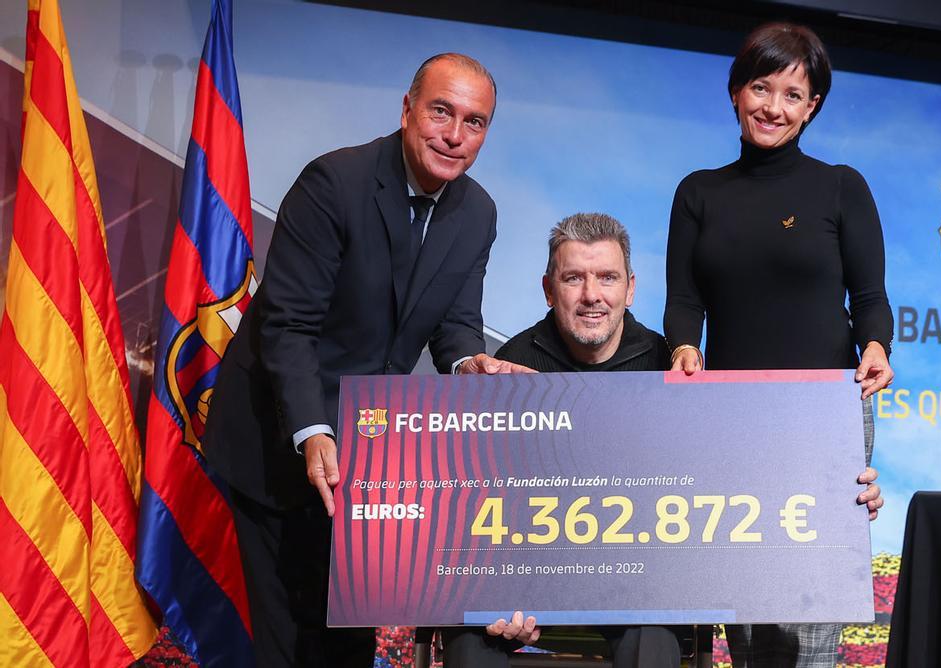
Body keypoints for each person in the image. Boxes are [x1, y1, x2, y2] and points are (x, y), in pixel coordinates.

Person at [441, 213, 883, 666]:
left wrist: (838, 501)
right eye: (573, 278)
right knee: (470, 643)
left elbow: (732, 486)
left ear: (630, 288)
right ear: (549, 290)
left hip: (638, 592)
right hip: (530, 588)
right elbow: (476, 498)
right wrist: (495, 593)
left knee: (651, 642)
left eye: (607, 277)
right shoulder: (508, 369)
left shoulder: (668, 369)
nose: (592, 295)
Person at [203, 53, 529, 666]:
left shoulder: (478, 213)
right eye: (441, 112)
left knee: (347, 639)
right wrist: (312, 429)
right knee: (281, 644)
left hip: (367, 457)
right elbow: (289, 325)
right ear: (407, 110)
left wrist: (469, 364)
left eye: (475, 122)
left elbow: (456, 324)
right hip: (277, 437)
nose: (454, 135)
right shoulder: (333, 183)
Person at [663, 22, 894, 668]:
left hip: (825, 410)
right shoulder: (698, 192)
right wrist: (683, 347)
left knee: (807, 608)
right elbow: (684, 300)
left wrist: (877, 346)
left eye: (793, 95)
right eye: (761, 88)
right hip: (730, 414)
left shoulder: (841, 187)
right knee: (746, 598)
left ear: (812, 107)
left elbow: (869, 298)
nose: (773, 106)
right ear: (736, 91)